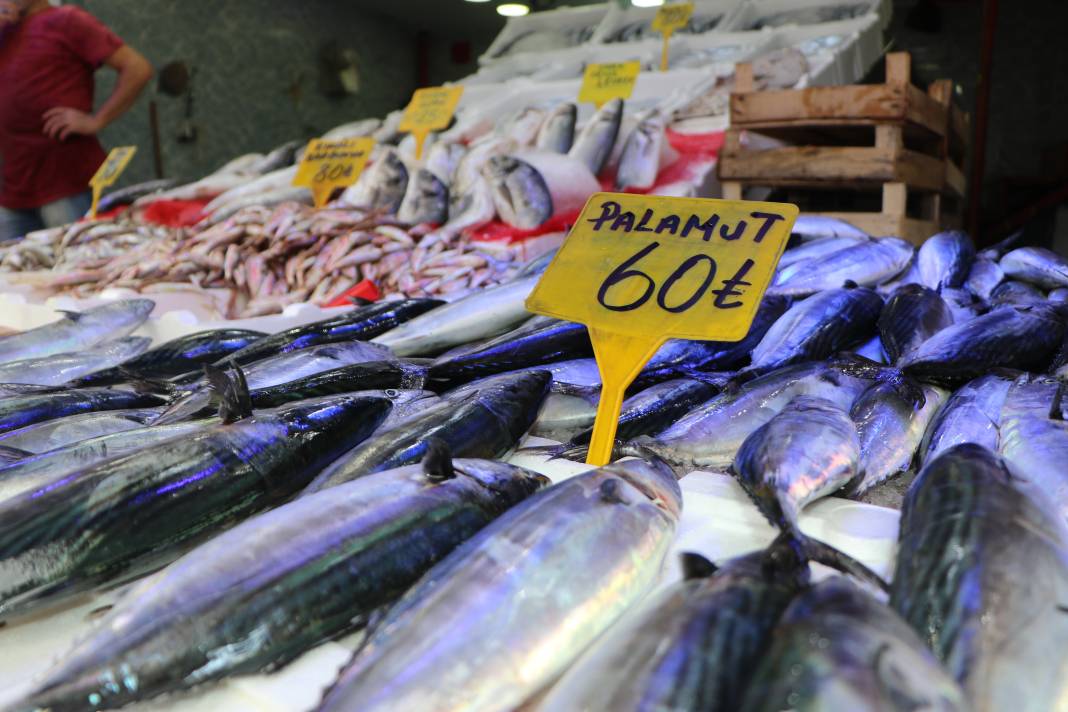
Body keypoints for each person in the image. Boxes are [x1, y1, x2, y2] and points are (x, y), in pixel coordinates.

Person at [0, 0, 152, 240]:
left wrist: (97, 120)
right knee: (11, 273)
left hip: (65, 181)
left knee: (77, 264)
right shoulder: (5, 30)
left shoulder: (66, 19)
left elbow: (137, 68)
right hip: (14, 187)